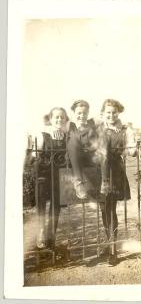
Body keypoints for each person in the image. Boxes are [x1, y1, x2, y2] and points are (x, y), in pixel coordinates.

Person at [97, 99, 137, 265]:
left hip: (115, 173)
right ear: (103, 113)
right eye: (108, 112)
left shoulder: (125, 130)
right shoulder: (98, 129)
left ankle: (113, 250)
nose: (111, 115)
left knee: (111, 209)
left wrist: (132, 148)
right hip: (98, 172)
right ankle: (109, 242)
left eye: (114, 112)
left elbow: (132, 150)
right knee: (104, 209)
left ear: (118, 112)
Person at [34, 107, 69, 249]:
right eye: (56, 117)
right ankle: (41, 233)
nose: (59, 119)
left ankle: (51, 236)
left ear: (65, 119)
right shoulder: (43, 134)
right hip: (44, 174)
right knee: (41, 204)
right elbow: (35, 155)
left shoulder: (68, 136)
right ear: (51, 119)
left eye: (62, 117)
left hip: (59, 175)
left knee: (55, 207)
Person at [67, 100, 101, 200]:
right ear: (73, 113)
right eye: (79, 113)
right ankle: (78, 183)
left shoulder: (93, 123)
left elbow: (109, 122)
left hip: (90, 159)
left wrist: (119, 125)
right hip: (74, 160)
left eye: (85, 113)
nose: (82, 116)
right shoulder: (69, 125)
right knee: (73, 140)